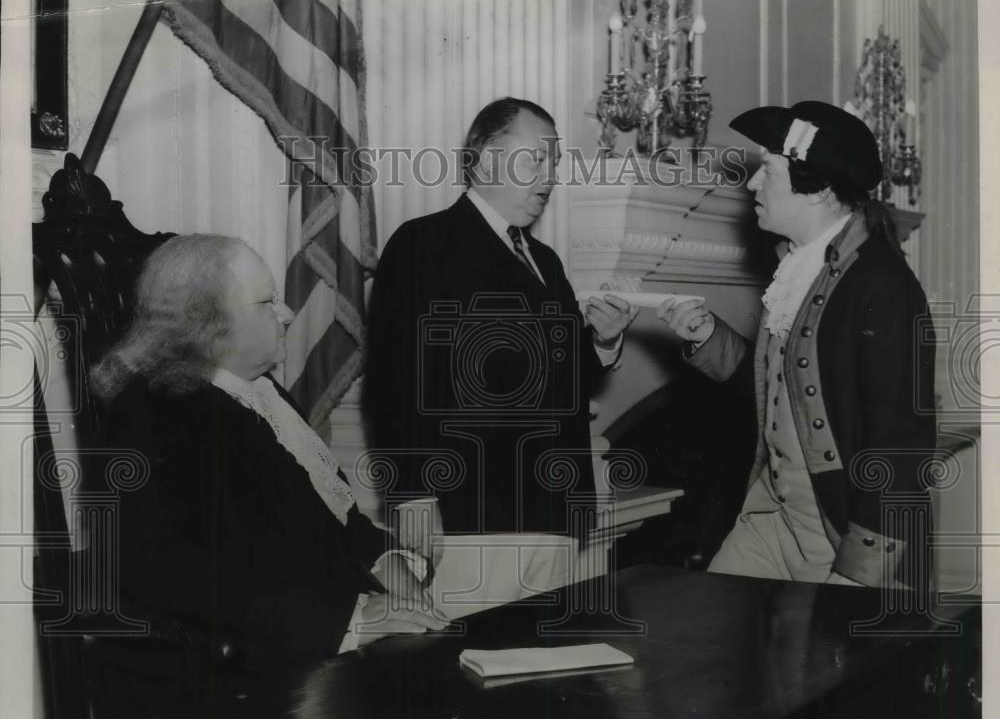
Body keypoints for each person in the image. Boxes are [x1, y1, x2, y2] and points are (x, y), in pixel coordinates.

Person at [91, 234, 446, 670]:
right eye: (267, 302)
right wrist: (344, 622)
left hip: (323, 635)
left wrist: (393, 570)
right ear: (209, 321)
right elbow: (161, 574)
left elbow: (333, 519)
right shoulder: (149, 412)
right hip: (235, 669)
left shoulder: (260, 391)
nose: (288, 313)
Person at [658, 101, 936, 588]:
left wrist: (860, 573)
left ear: (819, 189)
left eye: (768, 171)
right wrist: (708, 336)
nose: (751, 185)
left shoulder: (884, 286)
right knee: (706, 627)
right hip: (768, 522)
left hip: (839, 534)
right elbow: (782, 394)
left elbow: (901, 446)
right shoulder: (795, 267)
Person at [365, 97, 637, 536]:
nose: (550, 177)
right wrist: (412, 495)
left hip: (559, 514)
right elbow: (396, 383)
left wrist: (603, 342)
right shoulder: (424, 244)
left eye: (555, 162)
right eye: (537, 159)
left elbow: (561, 381)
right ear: (488, 159)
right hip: (472, 515)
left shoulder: (545, 261)